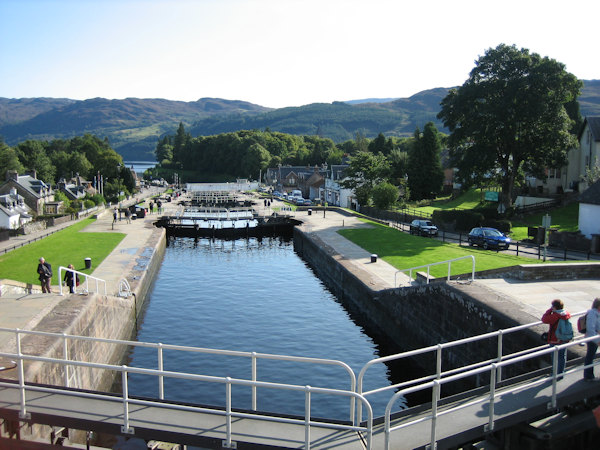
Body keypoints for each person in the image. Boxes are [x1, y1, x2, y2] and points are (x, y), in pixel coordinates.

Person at [541, 299, 571, 376]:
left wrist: (549, 310)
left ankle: (555, 374)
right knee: (562, 356)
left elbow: (544, 319)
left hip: (555, 339)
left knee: (555, 357)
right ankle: (561, 373)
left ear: (554, 307)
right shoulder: (566, 314)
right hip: (564, 338)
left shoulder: (555, 316)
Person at [584, 298, 600, 381]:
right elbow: (591, 328)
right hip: (593, 339)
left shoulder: (596, 313)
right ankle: (588, 376)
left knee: (591, 356)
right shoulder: (592, 314)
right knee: (590, 356)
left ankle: (589, 375)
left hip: (595, 338)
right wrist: (597, 341)